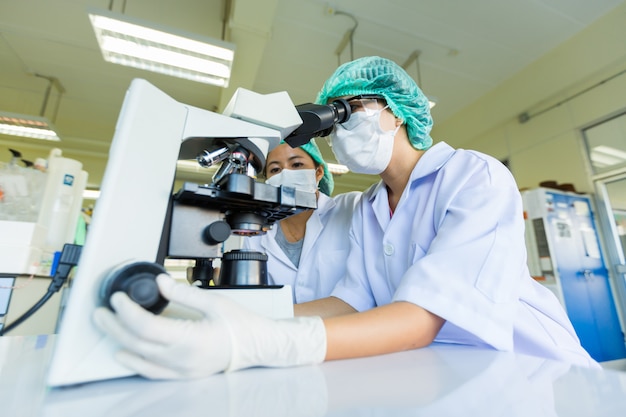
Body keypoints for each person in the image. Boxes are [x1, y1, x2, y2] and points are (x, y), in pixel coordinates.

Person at [93, 56, 598, 380]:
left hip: (537, 370)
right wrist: (246, 317)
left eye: (348, 112)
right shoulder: (373, 207)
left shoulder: (473, 176)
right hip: (452, 371)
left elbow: (424, 317)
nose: (340, 132)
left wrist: (258, 342)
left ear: (394, 111)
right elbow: (350, 300)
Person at [241, 140, 361, 303]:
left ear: (318, 172)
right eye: (275, 169)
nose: (285, 174)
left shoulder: (351, 208)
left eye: (296, 165)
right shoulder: (256, 233)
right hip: (280, 328)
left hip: (342, 326)